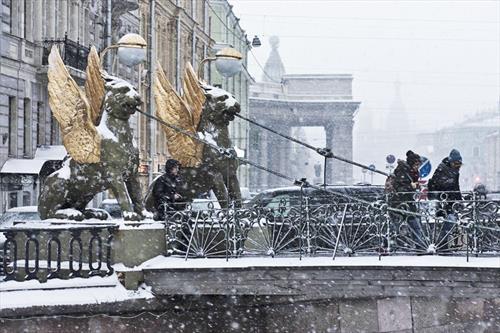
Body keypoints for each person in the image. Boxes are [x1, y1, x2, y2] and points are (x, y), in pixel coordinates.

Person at [428, 149, 462, 249]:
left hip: (449, 202)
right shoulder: (442, 169)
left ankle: (445, 244)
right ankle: (442, 245)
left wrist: (459, 200)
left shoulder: (453, 171)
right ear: (451, 162)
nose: (458, 166)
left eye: (459, 164)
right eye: (456, 163)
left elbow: (456, 187)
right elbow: (438, 185)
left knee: (452, 222)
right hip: (442, 202)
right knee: (450, 221)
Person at [389, 150, 423, 245]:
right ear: (411, 164)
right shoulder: (402, 171)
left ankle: (419, 245)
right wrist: (411, 186)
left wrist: (415, 186)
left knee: (413, 224)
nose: (418, 167)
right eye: (416, 164)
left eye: (418, 165)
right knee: (396, 226)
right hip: (399, 203)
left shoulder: (411, 172)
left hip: (407, 202)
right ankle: (388, 245)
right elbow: (399, 188)